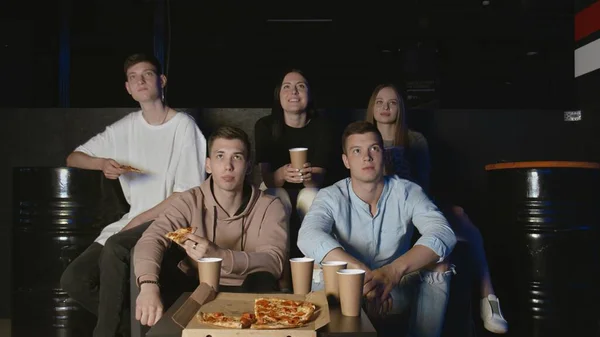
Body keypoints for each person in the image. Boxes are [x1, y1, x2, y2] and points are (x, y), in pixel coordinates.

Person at [60, 53, 207, 337]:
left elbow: (186, 196)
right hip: (130, 222)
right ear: (128, 88)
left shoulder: (184, 127)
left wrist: (135, 223)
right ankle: (141, 329)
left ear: (161, 80)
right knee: (75, 279)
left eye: (147, 74)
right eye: (133, 77)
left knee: (116, 249)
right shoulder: (125, 128)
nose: (140, 81)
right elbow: (73, 158)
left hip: (172, 224)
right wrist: (101, 163)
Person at [366, 83, 508, 334]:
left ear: (400, 108)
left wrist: (399, 169)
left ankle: (489, 298)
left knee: (461, 217)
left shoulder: (414, 139)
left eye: (392, 102)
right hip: (380, 204)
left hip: (415, 199)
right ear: (372, 107)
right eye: (379, 102)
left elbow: (424, 185)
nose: (385, 107)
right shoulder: (364, 139)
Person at [297, 121, 457, 337]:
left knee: (440, 263)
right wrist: (362, 274)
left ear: (384, 155)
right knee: (318, 265)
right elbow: (308, 235)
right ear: (346, 160)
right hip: (343, 286)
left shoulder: (407, 191)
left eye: (374, 148)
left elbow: (443, 233)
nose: (367, 157)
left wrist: (392, 272)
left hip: (394, 286)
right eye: (357, 151)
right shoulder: (331, 195)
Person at [133, 126, 289, 327]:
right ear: (208, 165)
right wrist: (148, 285)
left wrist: (219, 254)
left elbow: (274, 261)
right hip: (196, 288)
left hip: (249, 291)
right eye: (220, 156)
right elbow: (152, 238)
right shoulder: (190, 199)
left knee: (263, 281)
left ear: (249, 166)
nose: (228, 166)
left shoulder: (270, 206)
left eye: (237, 157)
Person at [254, 69, 334, 258]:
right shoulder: (265, 126)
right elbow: (266, 177)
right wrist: (281, 174)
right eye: (287, 87)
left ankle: (315, 266)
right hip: (276, 185)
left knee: (311, 197)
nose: (294, 92)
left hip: (311, 187)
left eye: (300, 87)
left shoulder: (323, 126)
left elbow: (318, 179)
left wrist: (308, 177)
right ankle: (282, 272)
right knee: (275, 196)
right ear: (279, 95)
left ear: (310, 95)